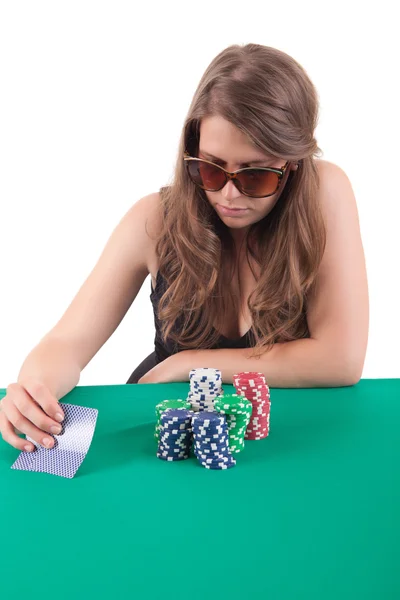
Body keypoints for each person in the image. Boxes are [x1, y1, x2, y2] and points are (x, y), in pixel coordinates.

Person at [0, 43, 369, 454]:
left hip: (290, 446)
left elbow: (341, 359)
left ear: (294, 164)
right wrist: (33, 390)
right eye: (210, 168)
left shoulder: (324, 193)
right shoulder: (154, 219)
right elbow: (67, 343)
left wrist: (188, 364)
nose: (229, 194)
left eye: (256, 176)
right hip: (162, 435)